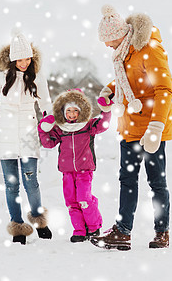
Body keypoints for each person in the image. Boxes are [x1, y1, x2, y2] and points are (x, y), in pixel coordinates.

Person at [90, 5, 172, 251]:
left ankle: (162, 232)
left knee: (156, 182)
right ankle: (122, 231)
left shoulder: (149, 48)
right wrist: (111, 89)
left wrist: (156, 127)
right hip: (130, 127)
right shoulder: (124, 52)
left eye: (109, 40)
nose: (107, 45)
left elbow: (164, 89)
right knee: (127, 180)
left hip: (151, 129)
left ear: (121, 33)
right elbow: (129, 81)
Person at [0, 29, 53, 245]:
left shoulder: (37, 74)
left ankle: (39, 220)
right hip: (4, 133)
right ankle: (17, 226)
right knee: (11, 184)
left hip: (28, 133)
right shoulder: (0, 75)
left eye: (27, 58)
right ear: (12, 59)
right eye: (20, 59)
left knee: (31, 182)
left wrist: (48, 118)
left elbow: (46, 102)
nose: (24, 63)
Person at [37, 88, 113, 243]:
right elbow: (48, 143)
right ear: (63, 112)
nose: (72, 114)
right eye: (68, 111)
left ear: (81, 111)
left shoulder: (88, 125)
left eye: (75, 110)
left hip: (84, 169)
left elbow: (103, 125)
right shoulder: (61, 128)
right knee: (72, 201)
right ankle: (79, 230)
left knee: (84, 198)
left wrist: (106, 110)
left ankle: (93, 227)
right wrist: (43, 129)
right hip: (67, 171)